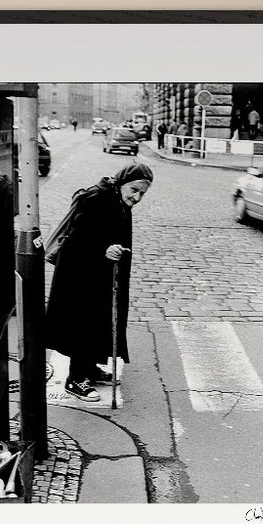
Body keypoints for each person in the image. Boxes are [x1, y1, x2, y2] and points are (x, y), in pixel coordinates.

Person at [44, 161, 152, 398]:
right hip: (81, 276)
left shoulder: (116, 198)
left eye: (142, 193)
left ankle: (89, 368)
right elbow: (77, 239)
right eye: (134, 190)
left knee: (99, 321)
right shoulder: (98, 198)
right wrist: (103, 249)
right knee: (84, 323)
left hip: (100, 273)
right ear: (122, 182)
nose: (137, 197)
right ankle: (76, 380)